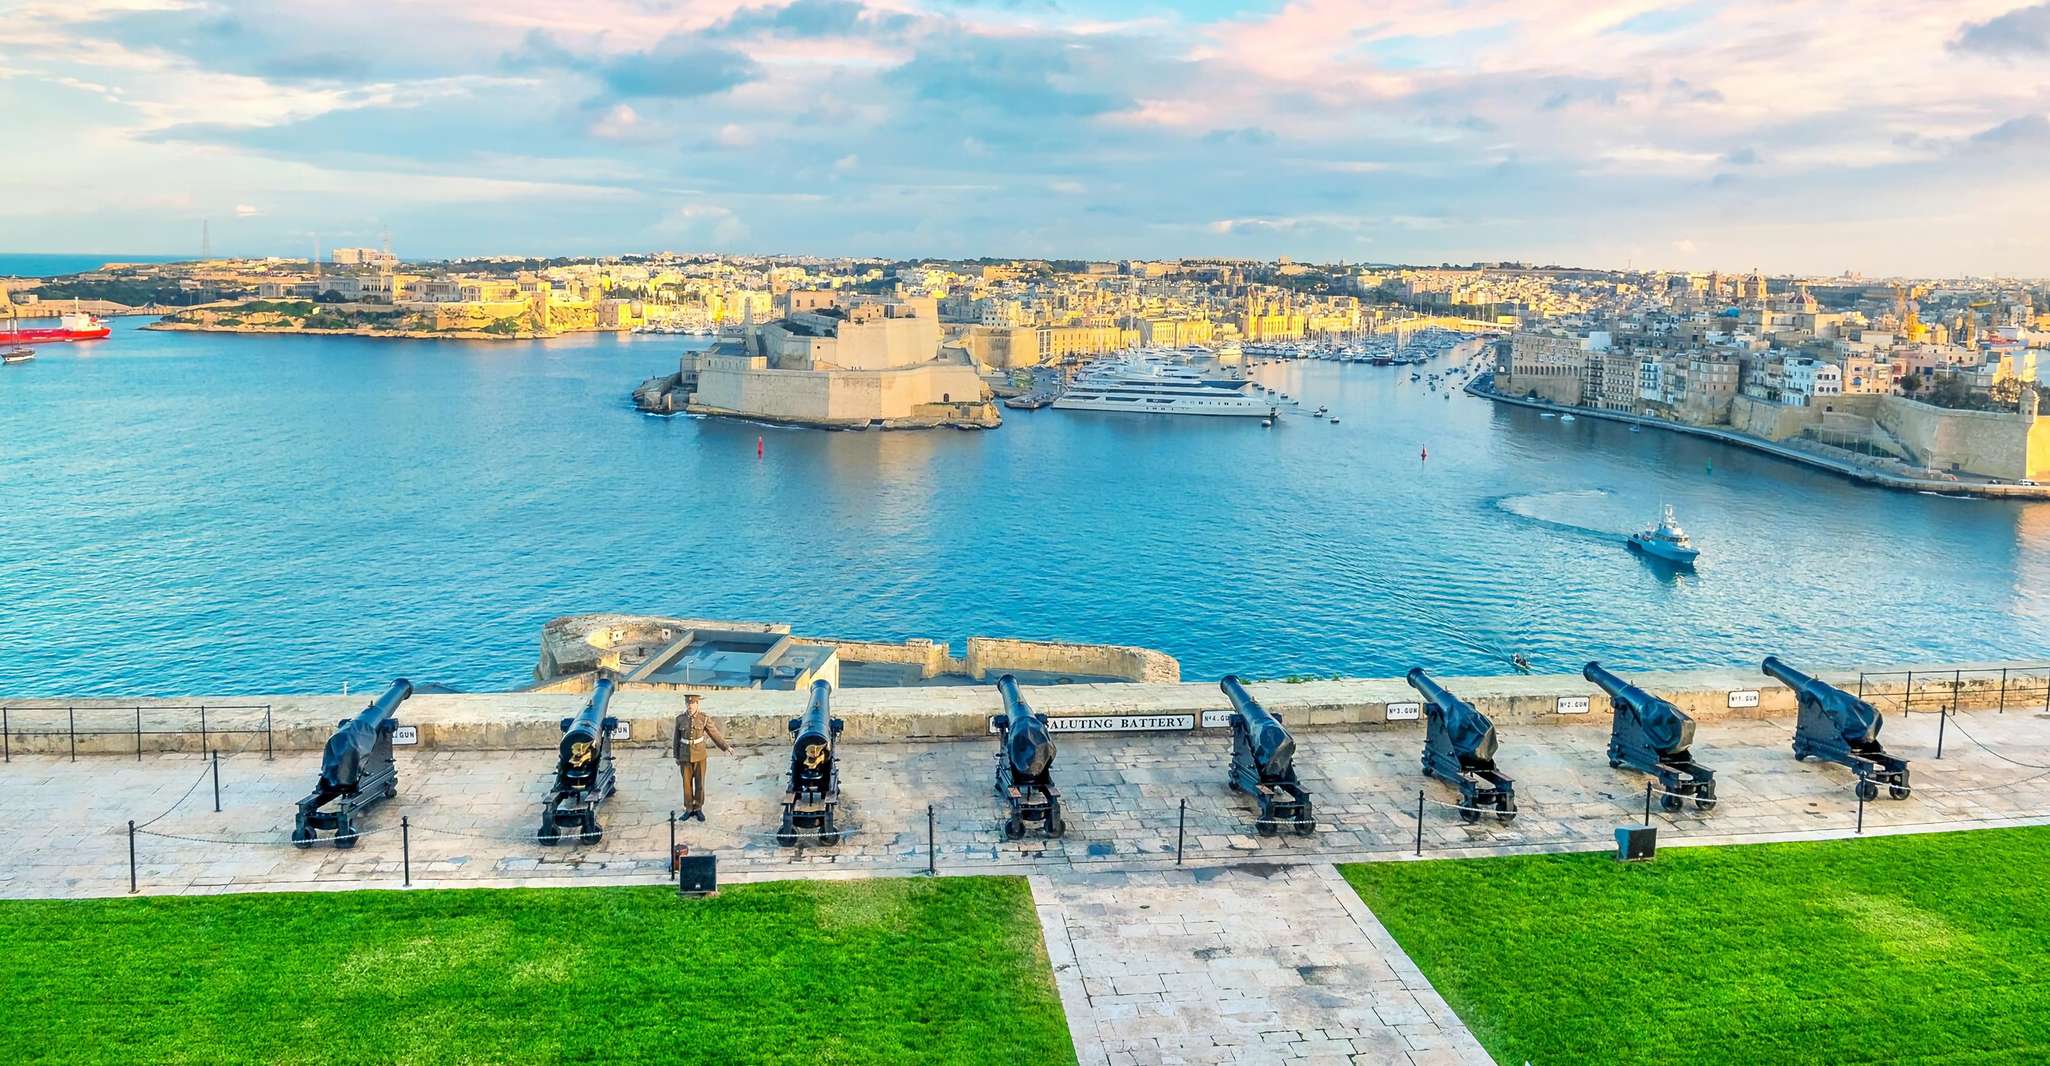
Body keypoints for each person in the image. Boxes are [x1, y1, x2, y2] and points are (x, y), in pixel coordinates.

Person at [671, 693, 732, 821]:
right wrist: (676, 755)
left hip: (700, 755)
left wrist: (726, 747)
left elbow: (714, 733)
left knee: (700, 784)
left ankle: (698, 808)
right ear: (686, 704)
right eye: (688, 703)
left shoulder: (703, 718)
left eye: (693, 703)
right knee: (686, 784)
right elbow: (676, 739)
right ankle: (688, 808)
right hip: (684, 756)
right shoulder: (680, 719)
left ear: (697, 704)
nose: (690, 706)